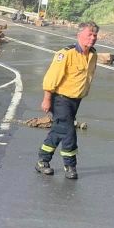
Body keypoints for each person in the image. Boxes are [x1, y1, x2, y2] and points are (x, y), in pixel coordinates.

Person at [36, 22, 99, 180]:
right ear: (79, 36)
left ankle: (42, 161)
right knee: (69, 131)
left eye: (95, 35)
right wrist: (46, 99)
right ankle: (70, 165)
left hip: (75, 100)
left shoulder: (93, 54)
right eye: (89, 34)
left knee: (59, 130)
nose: (92, 38)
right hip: (60, 99)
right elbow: (52, 78)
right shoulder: (66, 53)